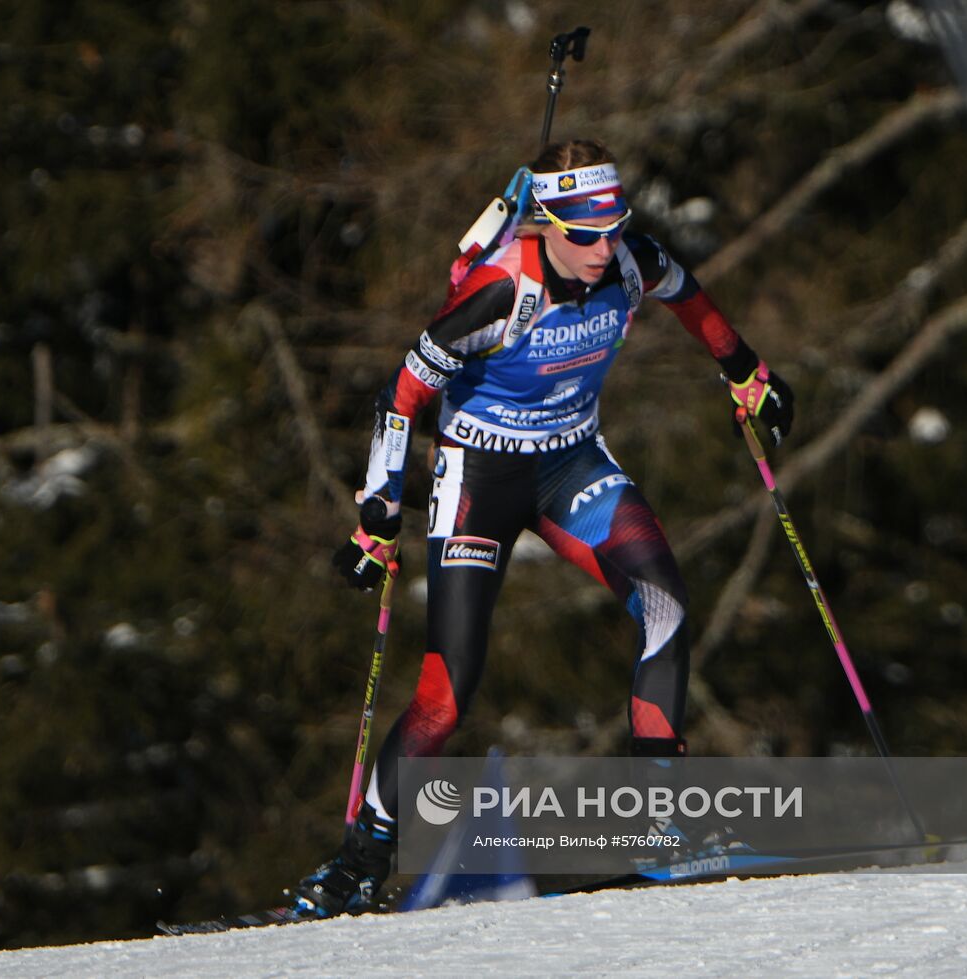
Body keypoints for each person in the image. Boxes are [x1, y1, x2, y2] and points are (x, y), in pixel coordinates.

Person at [291, 139, 793, 917]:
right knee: (446, 696)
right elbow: (401, 392)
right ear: (545, 224)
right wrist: (376, 516)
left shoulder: (629, 260)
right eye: (584, 233)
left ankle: (661, 823)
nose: (602, 249)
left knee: (664, 602)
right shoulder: (500, 290)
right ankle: (360, 859)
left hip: (568, 465)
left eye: (613, 228)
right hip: (480, 479)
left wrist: (746, 371)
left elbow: (690, 295)